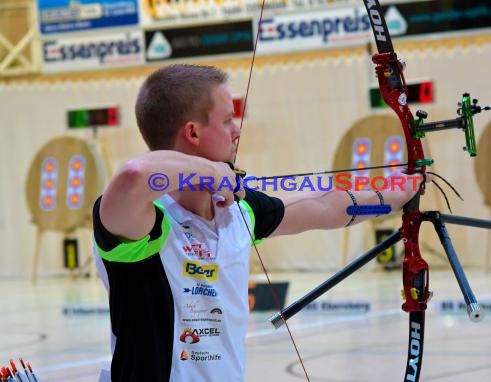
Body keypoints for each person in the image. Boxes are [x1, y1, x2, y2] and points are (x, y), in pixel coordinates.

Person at [92, 64, 424, 381]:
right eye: (226, 120)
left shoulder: (239, 212)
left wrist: (402, 189)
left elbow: (327, 207)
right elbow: (135, 175)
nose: (236, 131)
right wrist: (212, 173)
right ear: (192, 132)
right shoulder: (144, 223)